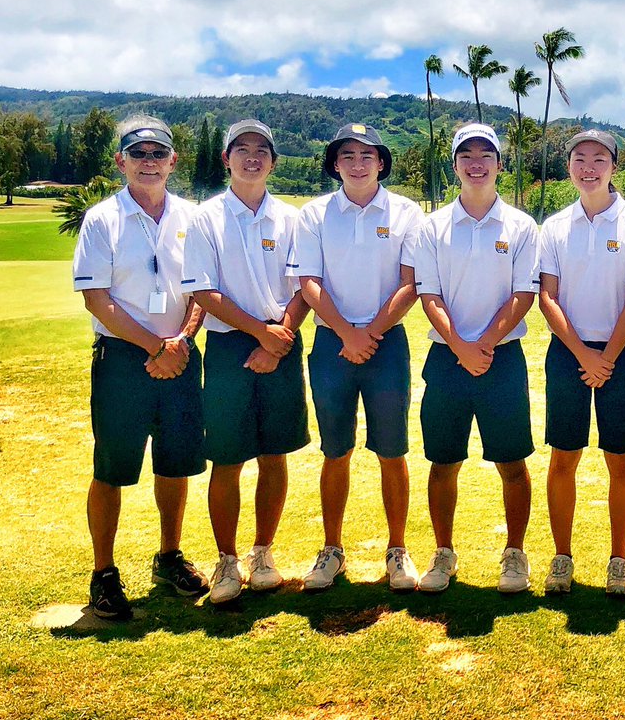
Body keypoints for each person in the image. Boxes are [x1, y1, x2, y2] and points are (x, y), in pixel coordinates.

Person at [72, 115, 208, 619]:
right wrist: (157, 347)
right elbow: (97, 300)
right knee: (112, 467)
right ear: (120, 161)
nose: (148, 162)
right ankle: (103, 573)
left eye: (158, 154)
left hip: (180, 352)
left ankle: (168, 556)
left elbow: (200, 289)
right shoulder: (102, 219)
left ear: (173, 161)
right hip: (124, 359)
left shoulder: (192, 216)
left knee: (176, 462)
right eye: (138, 154)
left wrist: (181, 341)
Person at [182, 120, 310, 605]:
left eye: (262, 150)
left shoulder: (291, 218)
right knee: (229, 458)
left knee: (275, 453)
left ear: (274, 162)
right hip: (233, 345)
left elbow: (304, 286)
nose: (252, 157)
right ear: (226, 159)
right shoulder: (205, 218)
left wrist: (280, 336)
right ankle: (227, 560)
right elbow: (203, 290)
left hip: (283, 337)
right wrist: (262, 335)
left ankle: (262, 553)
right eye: (242, 149)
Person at [294, 123, 423, 592]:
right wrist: (348, 334)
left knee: (392, 451)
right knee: (335, 451)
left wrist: (368, 333)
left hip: (386, 343)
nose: (357, 162)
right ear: (335, 163)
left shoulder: (407, 212)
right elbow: (309, 282)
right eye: (347, 155)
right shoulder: (313, 214)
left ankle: (397, 550)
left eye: (367, 155)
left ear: (382, 162)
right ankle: (331, 549)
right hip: (332, 344)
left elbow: (410, 283)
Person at [412, 123, 540, 594]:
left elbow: (523, 294)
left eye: (486, 154)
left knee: (512, 463)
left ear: (500, 165)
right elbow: (429, 294)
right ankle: (443, 553)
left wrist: (482, 344)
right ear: (455, 165)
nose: (477, 162)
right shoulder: (433, 227)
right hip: (447, 358)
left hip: (501, 359)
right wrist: (462, 347)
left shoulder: (521, 227)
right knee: (443, 463)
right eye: (467, 154)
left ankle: (515, 554)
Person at [537, 130, 625, 595]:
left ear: (614, 166)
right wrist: (584, 354)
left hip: (620, 354)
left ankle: (618, 560)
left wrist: (607, 356)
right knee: (564, 458)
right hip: (569, 354)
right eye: (579, 159)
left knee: (621, 461)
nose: (588, 167)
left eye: (598, 159)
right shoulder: (555, 227)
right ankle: (562, 557)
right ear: (569, 168)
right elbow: (547, 296)